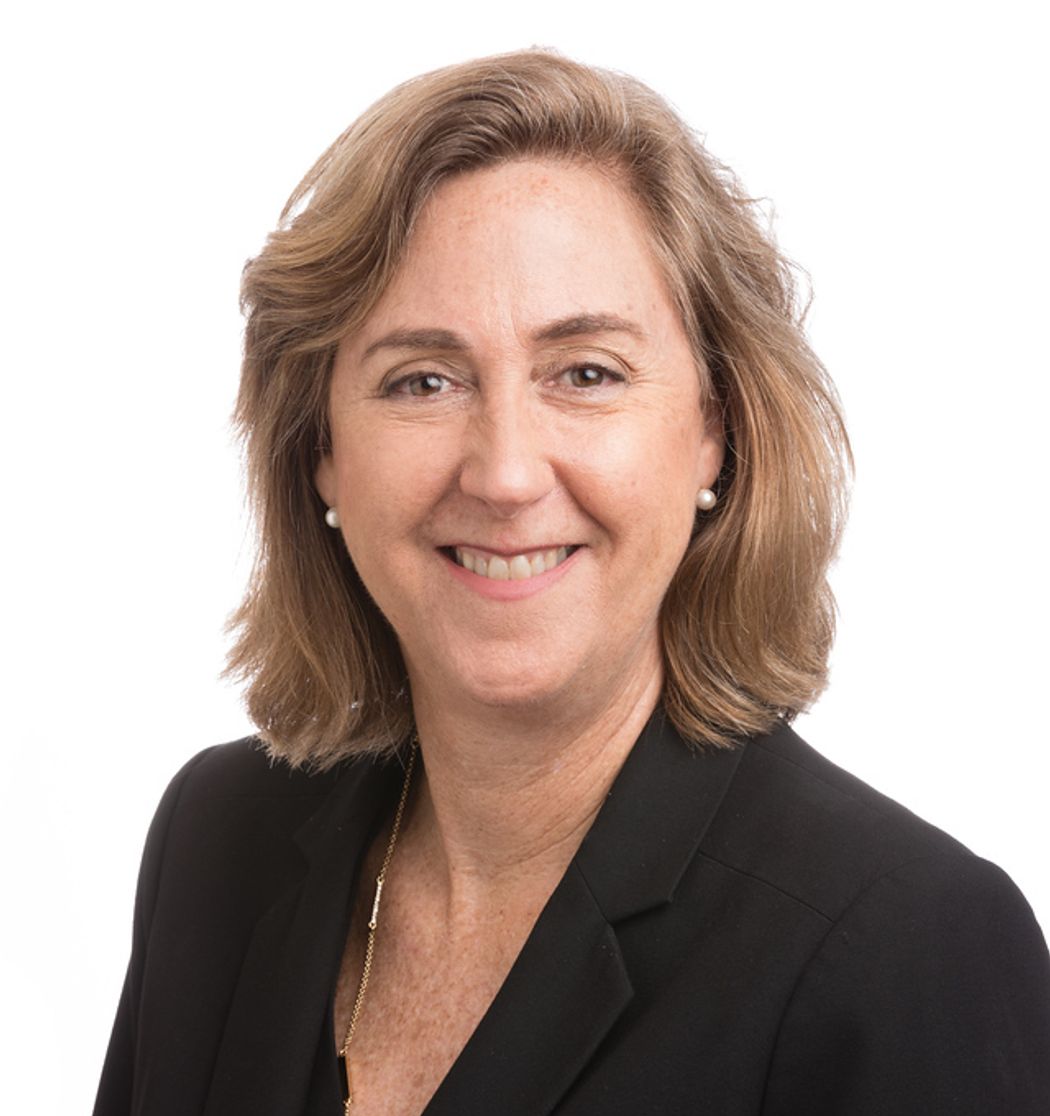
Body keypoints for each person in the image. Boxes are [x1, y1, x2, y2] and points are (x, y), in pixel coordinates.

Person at [93, 49, 1050, 1116]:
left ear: (712, 435)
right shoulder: (221, 843)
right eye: (423, 379)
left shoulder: (909, 954)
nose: (504, 473)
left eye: (585, 373)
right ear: (320, 451)